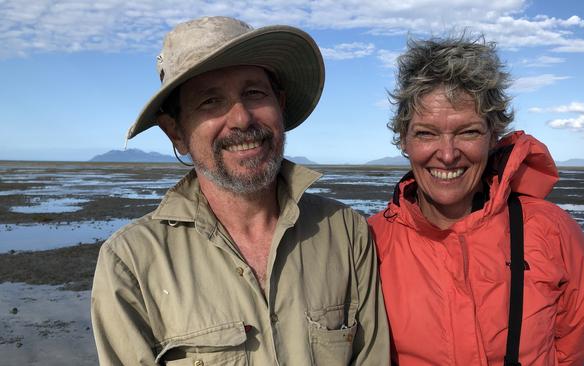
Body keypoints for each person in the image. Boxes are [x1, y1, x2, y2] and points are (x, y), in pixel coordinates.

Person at [91, 16, 389, 365]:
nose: (241, 119)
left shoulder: (346, 233)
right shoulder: (131, 263)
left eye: (253, 93)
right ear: (176, 132)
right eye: (210, 101)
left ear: (279, 102)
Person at [368, 36, 584, 366]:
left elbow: (570, 348)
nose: (447, 154)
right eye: (426, 133)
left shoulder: (552, 231)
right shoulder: (369, 243)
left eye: (468, 132)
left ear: (493, 135)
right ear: (404, 139)